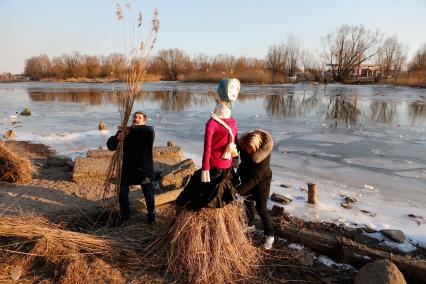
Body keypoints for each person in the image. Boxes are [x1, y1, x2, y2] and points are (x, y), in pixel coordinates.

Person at [176, 78, 240, 210]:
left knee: (197, 188)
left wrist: (205, 168)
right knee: (209, 191)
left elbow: (207, 149)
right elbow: (235, 143)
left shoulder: (213, 123)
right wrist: (235, 158)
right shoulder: (232, 122)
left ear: (220, 95)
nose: (215, 95)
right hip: (226, 166)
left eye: (218, 92)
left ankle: (186, 207)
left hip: (215, 167)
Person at [107, 111, 156, 224]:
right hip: (128, 168)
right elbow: (110, 146)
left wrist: (130, 129)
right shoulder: (124, 131)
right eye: (134, 117)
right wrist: (117, 139)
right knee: (123, 191)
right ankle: (125, 215)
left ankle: (151, 216)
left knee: (148, 192)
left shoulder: (148, 131)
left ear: (144, 120)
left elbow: (145, 131)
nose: (136, 118)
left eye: (139, 117)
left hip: (144, 168)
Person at [236, 129, 275, 249]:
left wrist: (238, 191)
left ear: (257, 147)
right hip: (246, 177)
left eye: (251, 150)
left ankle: (270, 235)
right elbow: (234, 149)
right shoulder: (244, 143)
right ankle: (250, 225)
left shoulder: (264, 156)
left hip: (261, 182)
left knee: (261, 208)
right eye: (247, 148)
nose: (248, 151)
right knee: (248, 203)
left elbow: (256, 177)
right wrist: (234, 158)